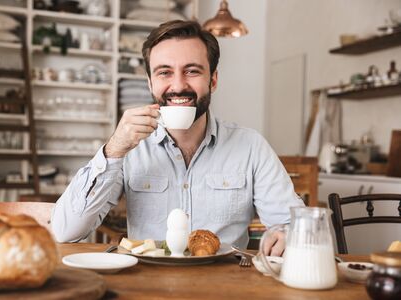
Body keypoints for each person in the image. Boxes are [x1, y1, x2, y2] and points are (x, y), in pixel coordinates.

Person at [51, 20, 304, 254]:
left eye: (192, 71)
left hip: (224, 285)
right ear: (150, 83)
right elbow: (67, 230)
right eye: (164, 72)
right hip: (148, 286)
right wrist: (114, 149)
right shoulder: (129, 149)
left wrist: (285, 234)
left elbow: (296, 227)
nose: (178, 85)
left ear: (213, 80)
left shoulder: (250, 146)